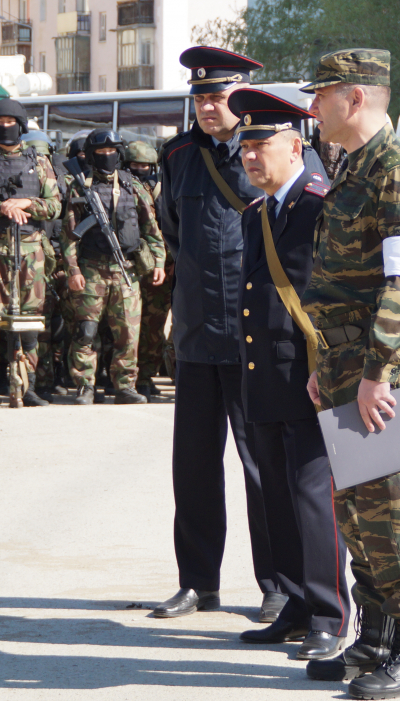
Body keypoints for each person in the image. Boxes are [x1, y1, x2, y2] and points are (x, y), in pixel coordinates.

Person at [301, 47, 400, 699]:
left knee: (396, 513)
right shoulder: (353, 167)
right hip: (345, 368)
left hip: (383, 374)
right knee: (359, 515)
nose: (312, 107)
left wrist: (376, 372)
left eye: (321, 94)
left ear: (354, 98)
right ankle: (377, 640)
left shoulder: (399, 171)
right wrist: (322, 366)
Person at [153, 46, 308, 621]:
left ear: (239, 99)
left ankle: (275, 583)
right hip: (196, 333)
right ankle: (197, 582)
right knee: (192, 467)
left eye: (216, 97)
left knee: (262, 466)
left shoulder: (267, 156)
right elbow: (174, 232)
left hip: (252, 338)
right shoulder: (179, 156)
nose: (207, 107)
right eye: (199, 98)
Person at [225, 87, 348, 661]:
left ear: (296, 147)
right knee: (275, 493)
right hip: (265, 376)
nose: (249, 157)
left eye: (260, 145)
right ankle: (296, 602)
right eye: (244, 146)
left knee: (311, 497)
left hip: (311, 378)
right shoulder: (258, 212)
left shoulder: (322, 206)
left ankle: (328, 613)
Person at [0, 98, 63, 409]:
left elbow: (55, 205)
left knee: (30, 323)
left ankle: (26, 385)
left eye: (11, 122)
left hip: (31, 250)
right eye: (0, 122)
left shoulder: (40, 163)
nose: (6, 127)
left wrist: (27, 203)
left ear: (21, 125)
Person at [61, 129, 165, 405]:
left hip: (126, 271)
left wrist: (159, 262)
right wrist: (73, 270)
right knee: (86, 331)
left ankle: (124, 386)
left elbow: (151, 230)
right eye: (100, 153)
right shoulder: (80, 185)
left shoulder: (134, 186)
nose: (106, 157)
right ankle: (85, 385)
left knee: (128, 334)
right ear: (92, 156)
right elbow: (69, 235)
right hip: (91, 269)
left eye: (111, 152)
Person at [125, 139, 172, 397]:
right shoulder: (116, 187)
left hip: (156, 268)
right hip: (124, 266)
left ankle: (144, 376)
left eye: (145, 166)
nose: (139, 170)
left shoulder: (161, 191)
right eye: (134, 165)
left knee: (152, 326)